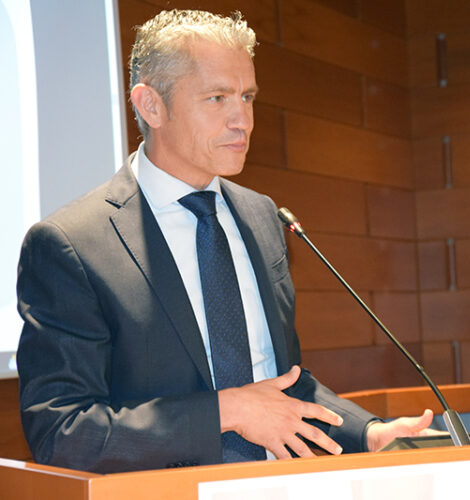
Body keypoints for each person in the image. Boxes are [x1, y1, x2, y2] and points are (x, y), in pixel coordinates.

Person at [16, 9, 432, 473]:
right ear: (151, 105)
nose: (243, 121)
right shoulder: (71, 244)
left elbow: (279, 383)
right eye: (217, 98)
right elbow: (62, 431)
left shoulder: (262, 216)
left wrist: (368, 433)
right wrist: (226, 411)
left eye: (247, 97)